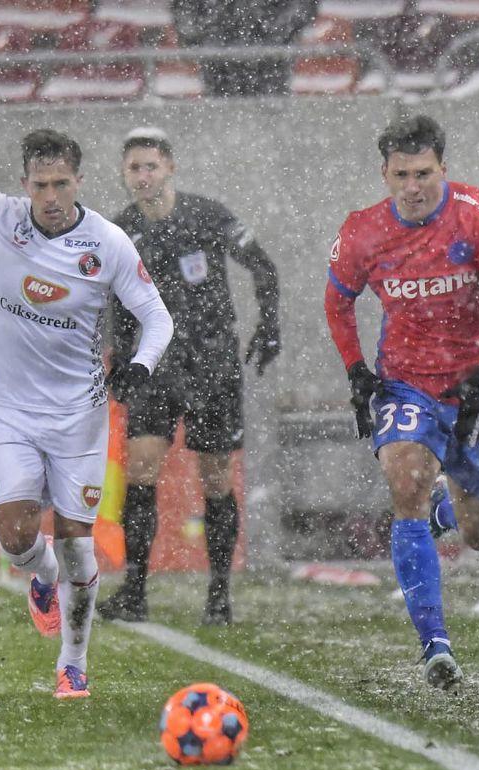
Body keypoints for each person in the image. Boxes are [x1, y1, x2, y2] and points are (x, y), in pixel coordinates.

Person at [0, 129, 173, 697]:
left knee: (77, 541)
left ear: (79, 182)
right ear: (24, 184)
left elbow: (157, 318)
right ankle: (40, 577)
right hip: (10, 412)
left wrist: (140, 367)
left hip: (79, 419)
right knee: (17, 538)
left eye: (61, 183)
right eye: (40, 184)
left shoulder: (108, 242)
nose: (51, 195)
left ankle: (74, 662)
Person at [324, 115, 479, 692]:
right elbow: (337, 304)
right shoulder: (363, 232)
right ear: (384, 174)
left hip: (474, 386)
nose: (413, 187)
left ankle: (443, 513)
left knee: (478, 532)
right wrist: (357, 370)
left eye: (424, 173)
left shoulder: (478, 215)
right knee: (406, 481)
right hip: (405, 382)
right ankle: (435, 646)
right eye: (401, 175)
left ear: (443, 167)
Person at [96, 127, 281, 626]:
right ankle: (134, 590)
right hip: (154, 367)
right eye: (134, 168)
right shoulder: (119, 231)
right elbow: (110, 299)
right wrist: (119, 360)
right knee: (140, 468)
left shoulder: (207, 215)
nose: (143, 176)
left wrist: (269, 325)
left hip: (212, 365)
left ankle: (219, 597)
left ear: (170, 167)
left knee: (216, 478)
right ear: (125, 174)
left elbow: (262, 266)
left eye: (151, 165)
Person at [171, 0, 318, 97]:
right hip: (219, 63)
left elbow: (301, 8)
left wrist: (272, 32)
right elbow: (184, 11)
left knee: (272, 115)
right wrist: (210, 33)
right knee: (221, 117)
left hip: (271, 62)